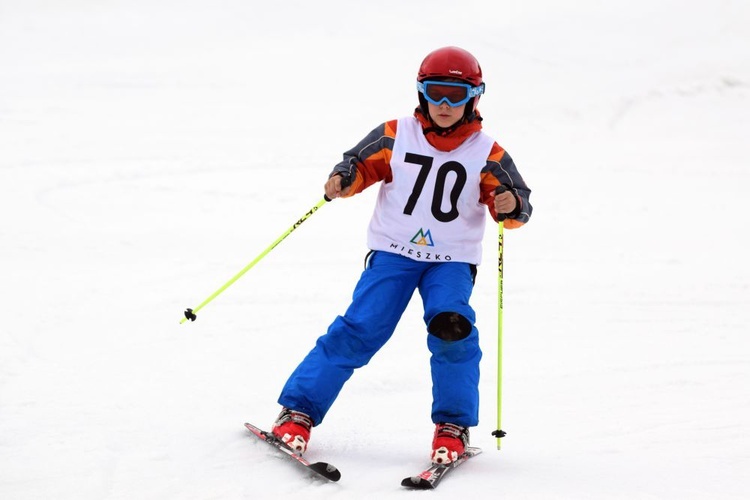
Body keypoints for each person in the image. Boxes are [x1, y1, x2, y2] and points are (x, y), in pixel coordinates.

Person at [270, 46, 532, 464]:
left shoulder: (487, 152)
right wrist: (345, 178)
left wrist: (509, 205)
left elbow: (518, 202)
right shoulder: (396, 133)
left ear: (475, 97)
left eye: (456, 95)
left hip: (451, 261)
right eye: (436, 92)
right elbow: (359, 163)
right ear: (421, 91)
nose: (445, 105)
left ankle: (453, 425)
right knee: (360, 327)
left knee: (453, 328)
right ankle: (298, 411)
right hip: (393, 253)